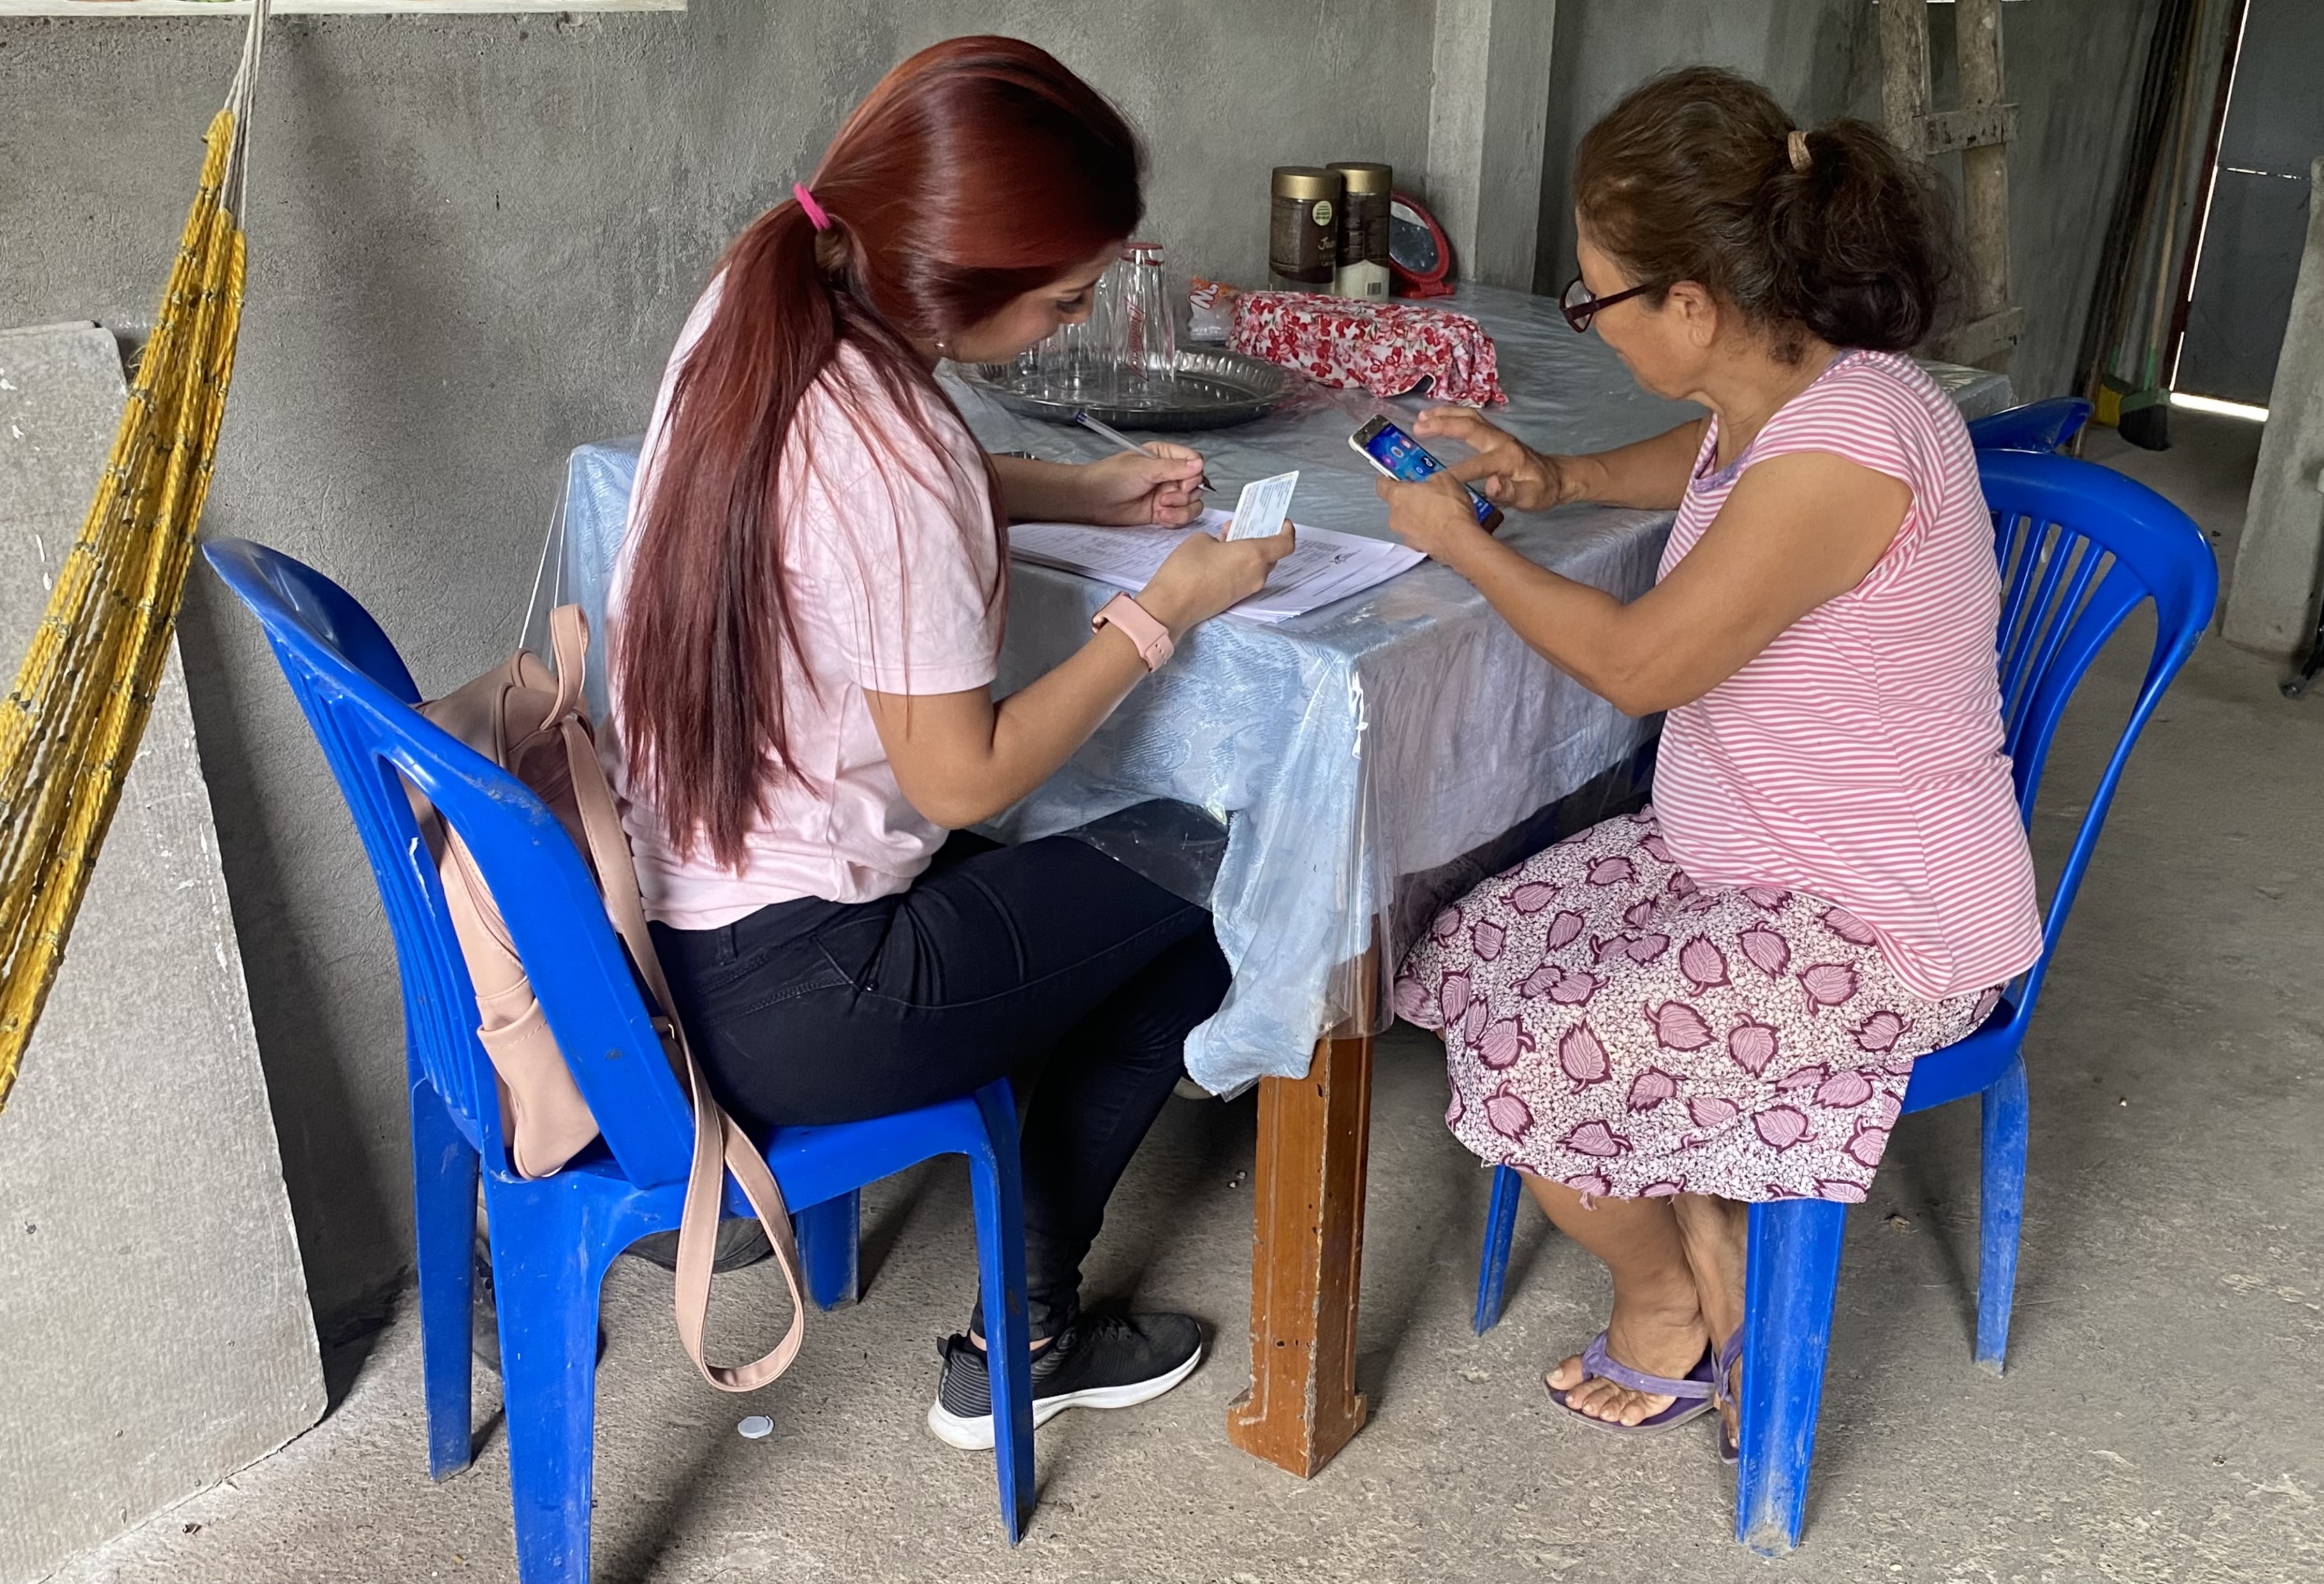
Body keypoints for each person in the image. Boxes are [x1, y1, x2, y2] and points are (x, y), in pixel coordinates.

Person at [605, 37, 1290, 1451]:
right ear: (950, 282)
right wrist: (1164, 610)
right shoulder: (901, 448)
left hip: (663, 938)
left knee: (1089, 866)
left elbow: (857, 499)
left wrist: (1081, 490)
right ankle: (1024, 1334)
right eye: (1062, 301)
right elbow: (961, 775)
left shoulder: (762, 295)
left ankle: (1019, 1214)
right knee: (1224, 871)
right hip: (807, 998)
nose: (1067, 325)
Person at [1382, 68, 2043, 1443]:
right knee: (1468, 951)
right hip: (1737, 860)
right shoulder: (1789, 388)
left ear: (1690, 305)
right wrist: (1556, 478)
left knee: (1533, 1061)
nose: (1590, 321)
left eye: (1595, 300)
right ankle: (1706, 1219)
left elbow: (1642, 666)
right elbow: (1713, 451)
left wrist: (1461, 545)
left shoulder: (1850, 447)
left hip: (1883, 920)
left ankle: (1669, 1302)